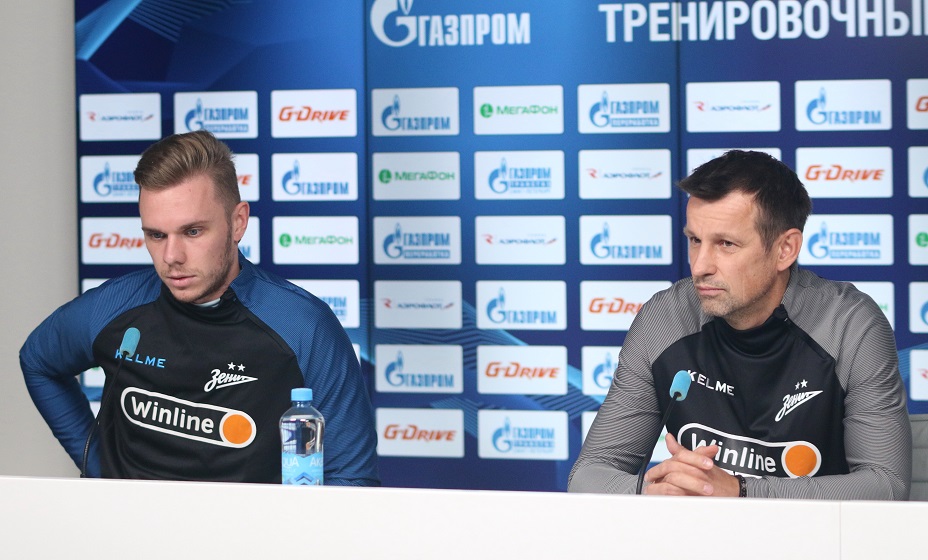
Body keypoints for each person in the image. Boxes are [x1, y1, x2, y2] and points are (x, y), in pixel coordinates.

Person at [20, 130, 379, 485]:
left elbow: (351, 478)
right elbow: (38, 360)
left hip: (251, 525)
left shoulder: (303, 326)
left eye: (192, 232)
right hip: (127, 522)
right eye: (156, 235)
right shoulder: (114, 307)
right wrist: (99, 467)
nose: (171, 257)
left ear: (237, 223)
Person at [569, 150, 911, 499]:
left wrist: (740, 492)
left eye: (726, 244)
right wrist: (657, 492)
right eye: (695, 240)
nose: (700, 266)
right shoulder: (663, 320)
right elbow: (588, 474)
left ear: (785, 249)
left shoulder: (851, 326)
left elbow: (886, 484)